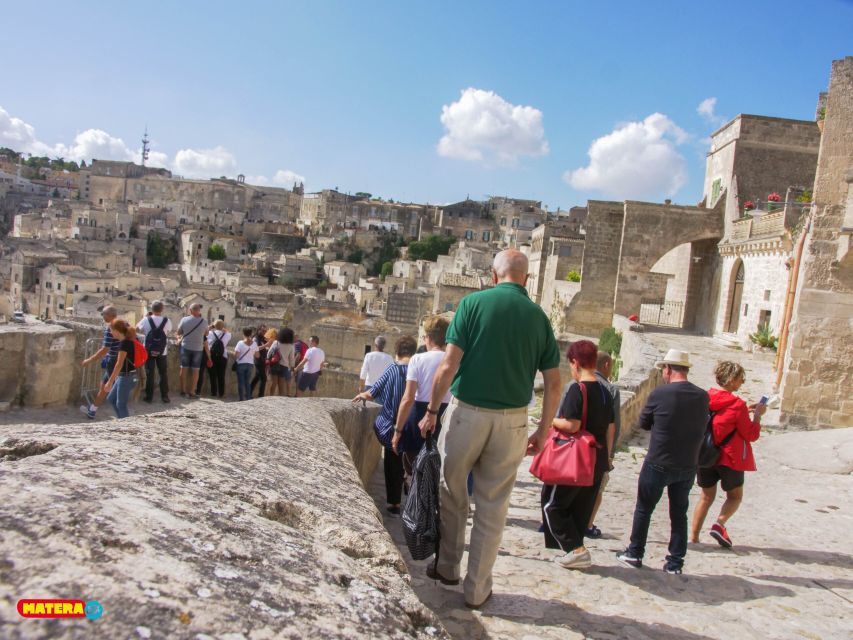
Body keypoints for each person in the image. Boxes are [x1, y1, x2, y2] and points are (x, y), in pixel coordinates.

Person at [418, 249, 562, 610]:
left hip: (467, 412)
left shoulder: (472, 304)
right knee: (493, 506)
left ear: (493, 276)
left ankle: (448, 567)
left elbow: (448, 366)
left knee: (452, 491)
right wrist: (543, 431)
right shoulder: (540, 318)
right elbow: (555, 384)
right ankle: (477, 588)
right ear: (526, 279)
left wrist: (433, 410)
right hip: (513, 419)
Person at [617, 349, 709, 575]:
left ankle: (635, 552)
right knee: (679, 513)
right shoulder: (702, 396)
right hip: (687, 464)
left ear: (668, 369)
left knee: (644, 509)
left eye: (663, 370)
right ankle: (675, 562)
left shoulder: (660, 394)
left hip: (659, 460)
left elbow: (644, 423)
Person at [541, 340, 615, 569]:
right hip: (597, 459)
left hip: (575, 460)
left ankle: (576, 549)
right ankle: (575, 550)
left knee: (552, 505)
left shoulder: (578, 389)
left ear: (575, 363)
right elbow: (610, 427)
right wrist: (608, 457)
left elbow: (572, 425)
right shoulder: (605, 391)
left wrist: (548, 421)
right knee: (580, 507)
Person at [691, 361, 765, 548]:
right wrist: (757, 415)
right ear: (732, 381)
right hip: (729, 458)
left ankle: (693, 537)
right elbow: (751, 434)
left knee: (705, 496)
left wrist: (744, 411)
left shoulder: (706, 397)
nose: (742, 383)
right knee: (735, 497)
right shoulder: (737, 405)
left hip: (705, 455)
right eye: (741, 379)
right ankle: (719, 523)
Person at [353, 336, 418, 515]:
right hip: (413, 425)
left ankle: (394, 503)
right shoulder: (418, 369)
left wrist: (361, 396)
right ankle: (413, 499)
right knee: (413, 463)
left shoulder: (393, 369)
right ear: (413, 352)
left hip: (392, 425)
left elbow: (373, 391)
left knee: (392, 461)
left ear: (397, 351)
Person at [391, 317, 451, 481]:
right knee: (438, 473)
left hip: (418, 417)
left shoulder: (417, 359)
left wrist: (397, 431)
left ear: (429, 338)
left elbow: (408, 398)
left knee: (416, 471)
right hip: (446, 418)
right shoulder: (453, 361)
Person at [585, 350, 622, 538]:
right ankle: (588, 524)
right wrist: (610, 454)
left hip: (577, 446)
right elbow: (614, 427)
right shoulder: (611, 390)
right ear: (606, 366)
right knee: (597, 488)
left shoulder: (577, 384)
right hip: (599, 448)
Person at [79, 305, 120, 420]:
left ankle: (122, 414)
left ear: (111, 315)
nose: (102, 316)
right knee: (104, 387)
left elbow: (105, 348)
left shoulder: (111, 327)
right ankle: (92, 411)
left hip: (113, 360)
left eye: (104, 314)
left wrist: (89, 360)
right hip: (122, 359)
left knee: (114, 388)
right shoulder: (124, 324)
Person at [136, 301, 172, 404]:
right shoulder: (167, 321)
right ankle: (165, 396)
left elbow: (136, 329)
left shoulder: (146, 320)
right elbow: (168, 331)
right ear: (162, 309)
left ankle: (149, 396)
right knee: (163, 373)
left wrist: (146, 318)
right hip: (162, 351)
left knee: (149, 373)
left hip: (148, 350)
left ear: (151, 309)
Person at [104, 319, 139, 419]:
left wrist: (110, 382)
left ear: (116, 330)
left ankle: (126, 425)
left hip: (126, 377)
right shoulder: (128, 341)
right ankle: (122, 420)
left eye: (111, 330)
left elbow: (119, 364)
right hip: (125, 376)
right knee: (111, 399)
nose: (110, 333)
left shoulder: (124, 344)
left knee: (121, 404)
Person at [176, 303, 211, 399]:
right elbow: (206, 333)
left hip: (186, 347)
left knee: (184, 368)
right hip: (198, 349)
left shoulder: (184, 320)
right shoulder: (204, 322)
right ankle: (192, 391)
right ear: (199, 311)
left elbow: (179, 332)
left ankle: (183, 390)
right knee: (196, 370)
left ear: (190, 311)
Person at [268, 327, 296, 397]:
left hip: (274, 364)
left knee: (274, 383)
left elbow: (269, 354)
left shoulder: (276, 342)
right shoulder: (291, 346)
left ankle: (270, 397)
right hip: (284, 366)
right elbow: (292, 359)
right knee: (281, 384)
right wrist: (292, 367)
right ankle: (280, 398)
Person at [206, 320, 231, 398]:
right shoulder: (227, 335)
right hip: (223, 356)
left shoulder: (209, 333)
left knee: (212, 375)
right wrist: (224, 329)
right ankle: (221, 393)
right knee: (221, 375)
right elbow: (228, 332)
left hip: (211, 356)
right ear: (223, 326)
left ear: (214, 326)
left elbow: (204, 332)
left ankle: (213, 392)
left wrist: (211, 327)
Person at [233, 327, 259, 401]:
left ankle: (241, 398)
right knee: (247, 382)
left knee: (241, 382)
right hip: (250, 364)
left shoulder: (240, 343)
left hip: (241, 364)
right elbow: (257, 355)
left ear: (243, 334)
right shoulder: (254, 344)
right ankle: (247, 398)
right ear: (251, 334)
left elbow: (236, 355)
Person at [250, 325, 273, 398]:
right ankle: (261, 396)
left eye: (265, 331)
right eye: (263, 331)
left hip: (263, 360)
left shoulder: (263, 339)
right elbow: (255, 348)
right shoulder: (255, 338)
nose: (264, 332)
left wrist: (269, 341)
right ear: (258, 330)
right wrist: (266, 345)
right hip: (258, 360)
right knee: (263, 378)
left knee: (257, 377)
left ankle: (249, 392)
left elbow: (269, 346)